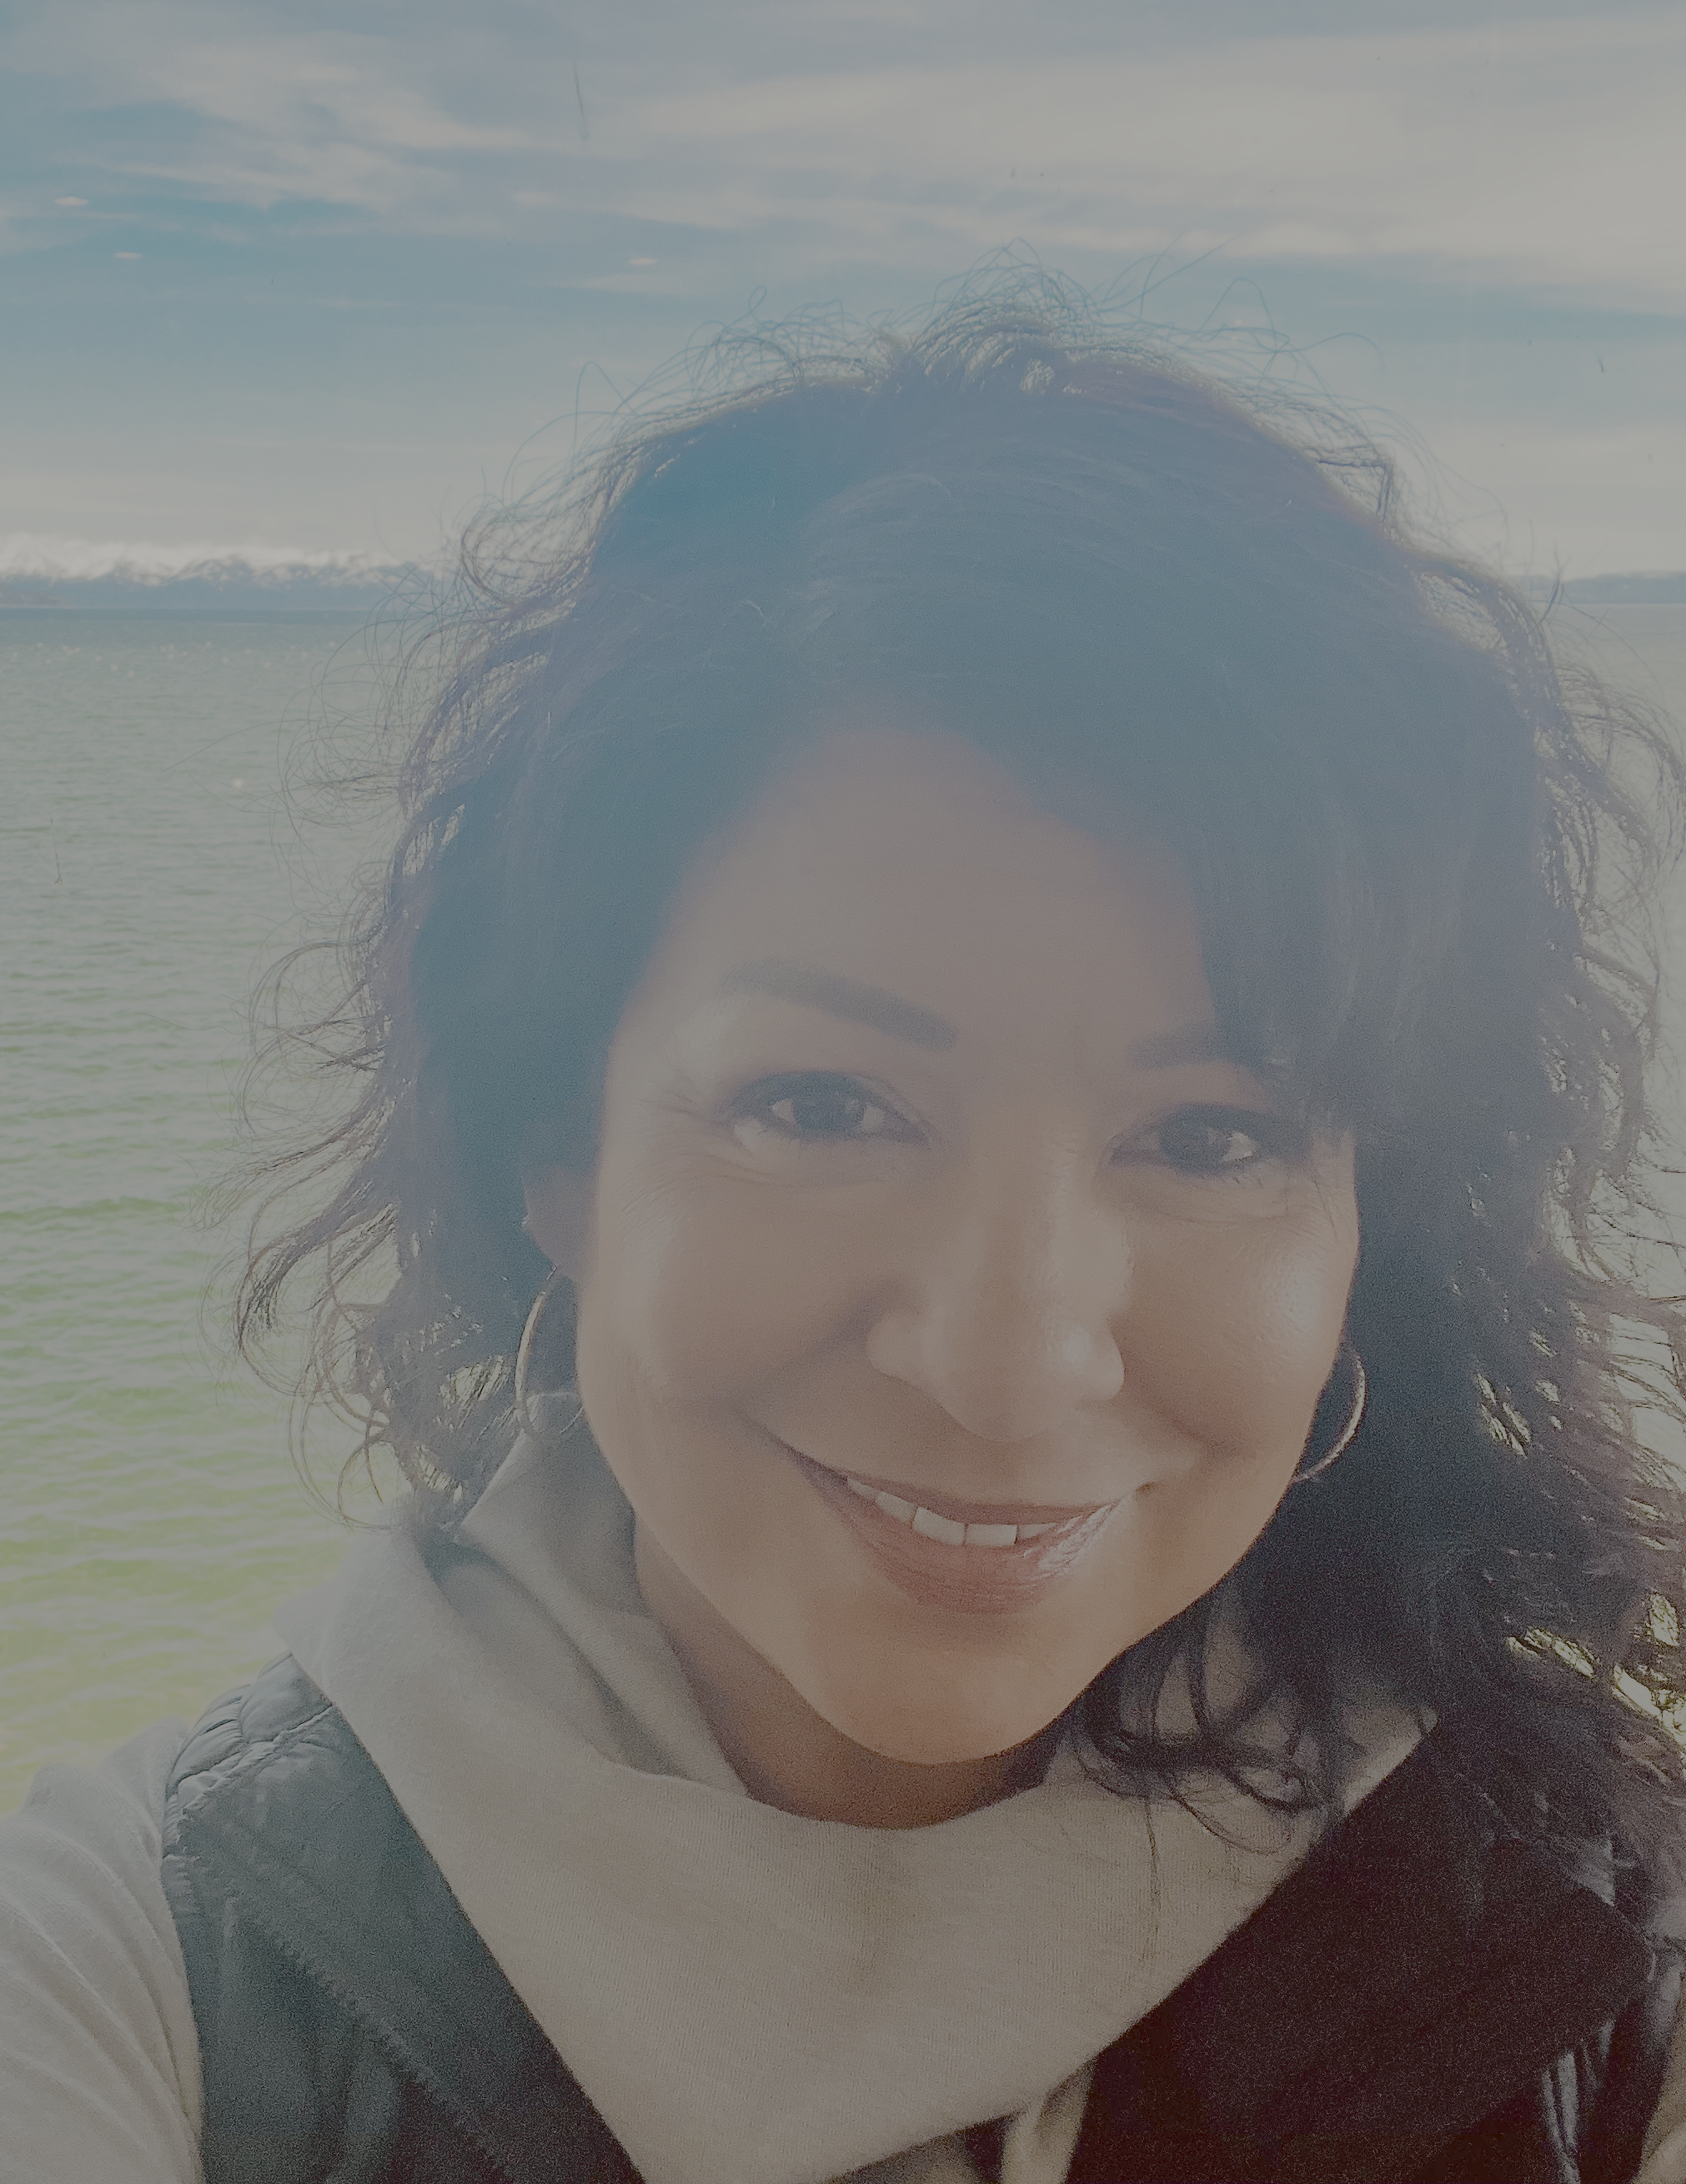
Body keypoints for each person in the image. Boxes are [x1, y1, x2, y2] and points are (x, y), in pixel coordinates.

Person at [5, 284, 1686, 2184]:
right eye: (819, 1103)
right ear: (556, 1144)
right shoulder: (143, 1963)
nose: (1005, 1351)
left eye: (1209, 1131)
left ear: (1379, 1222)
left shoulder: (1612, 1960)